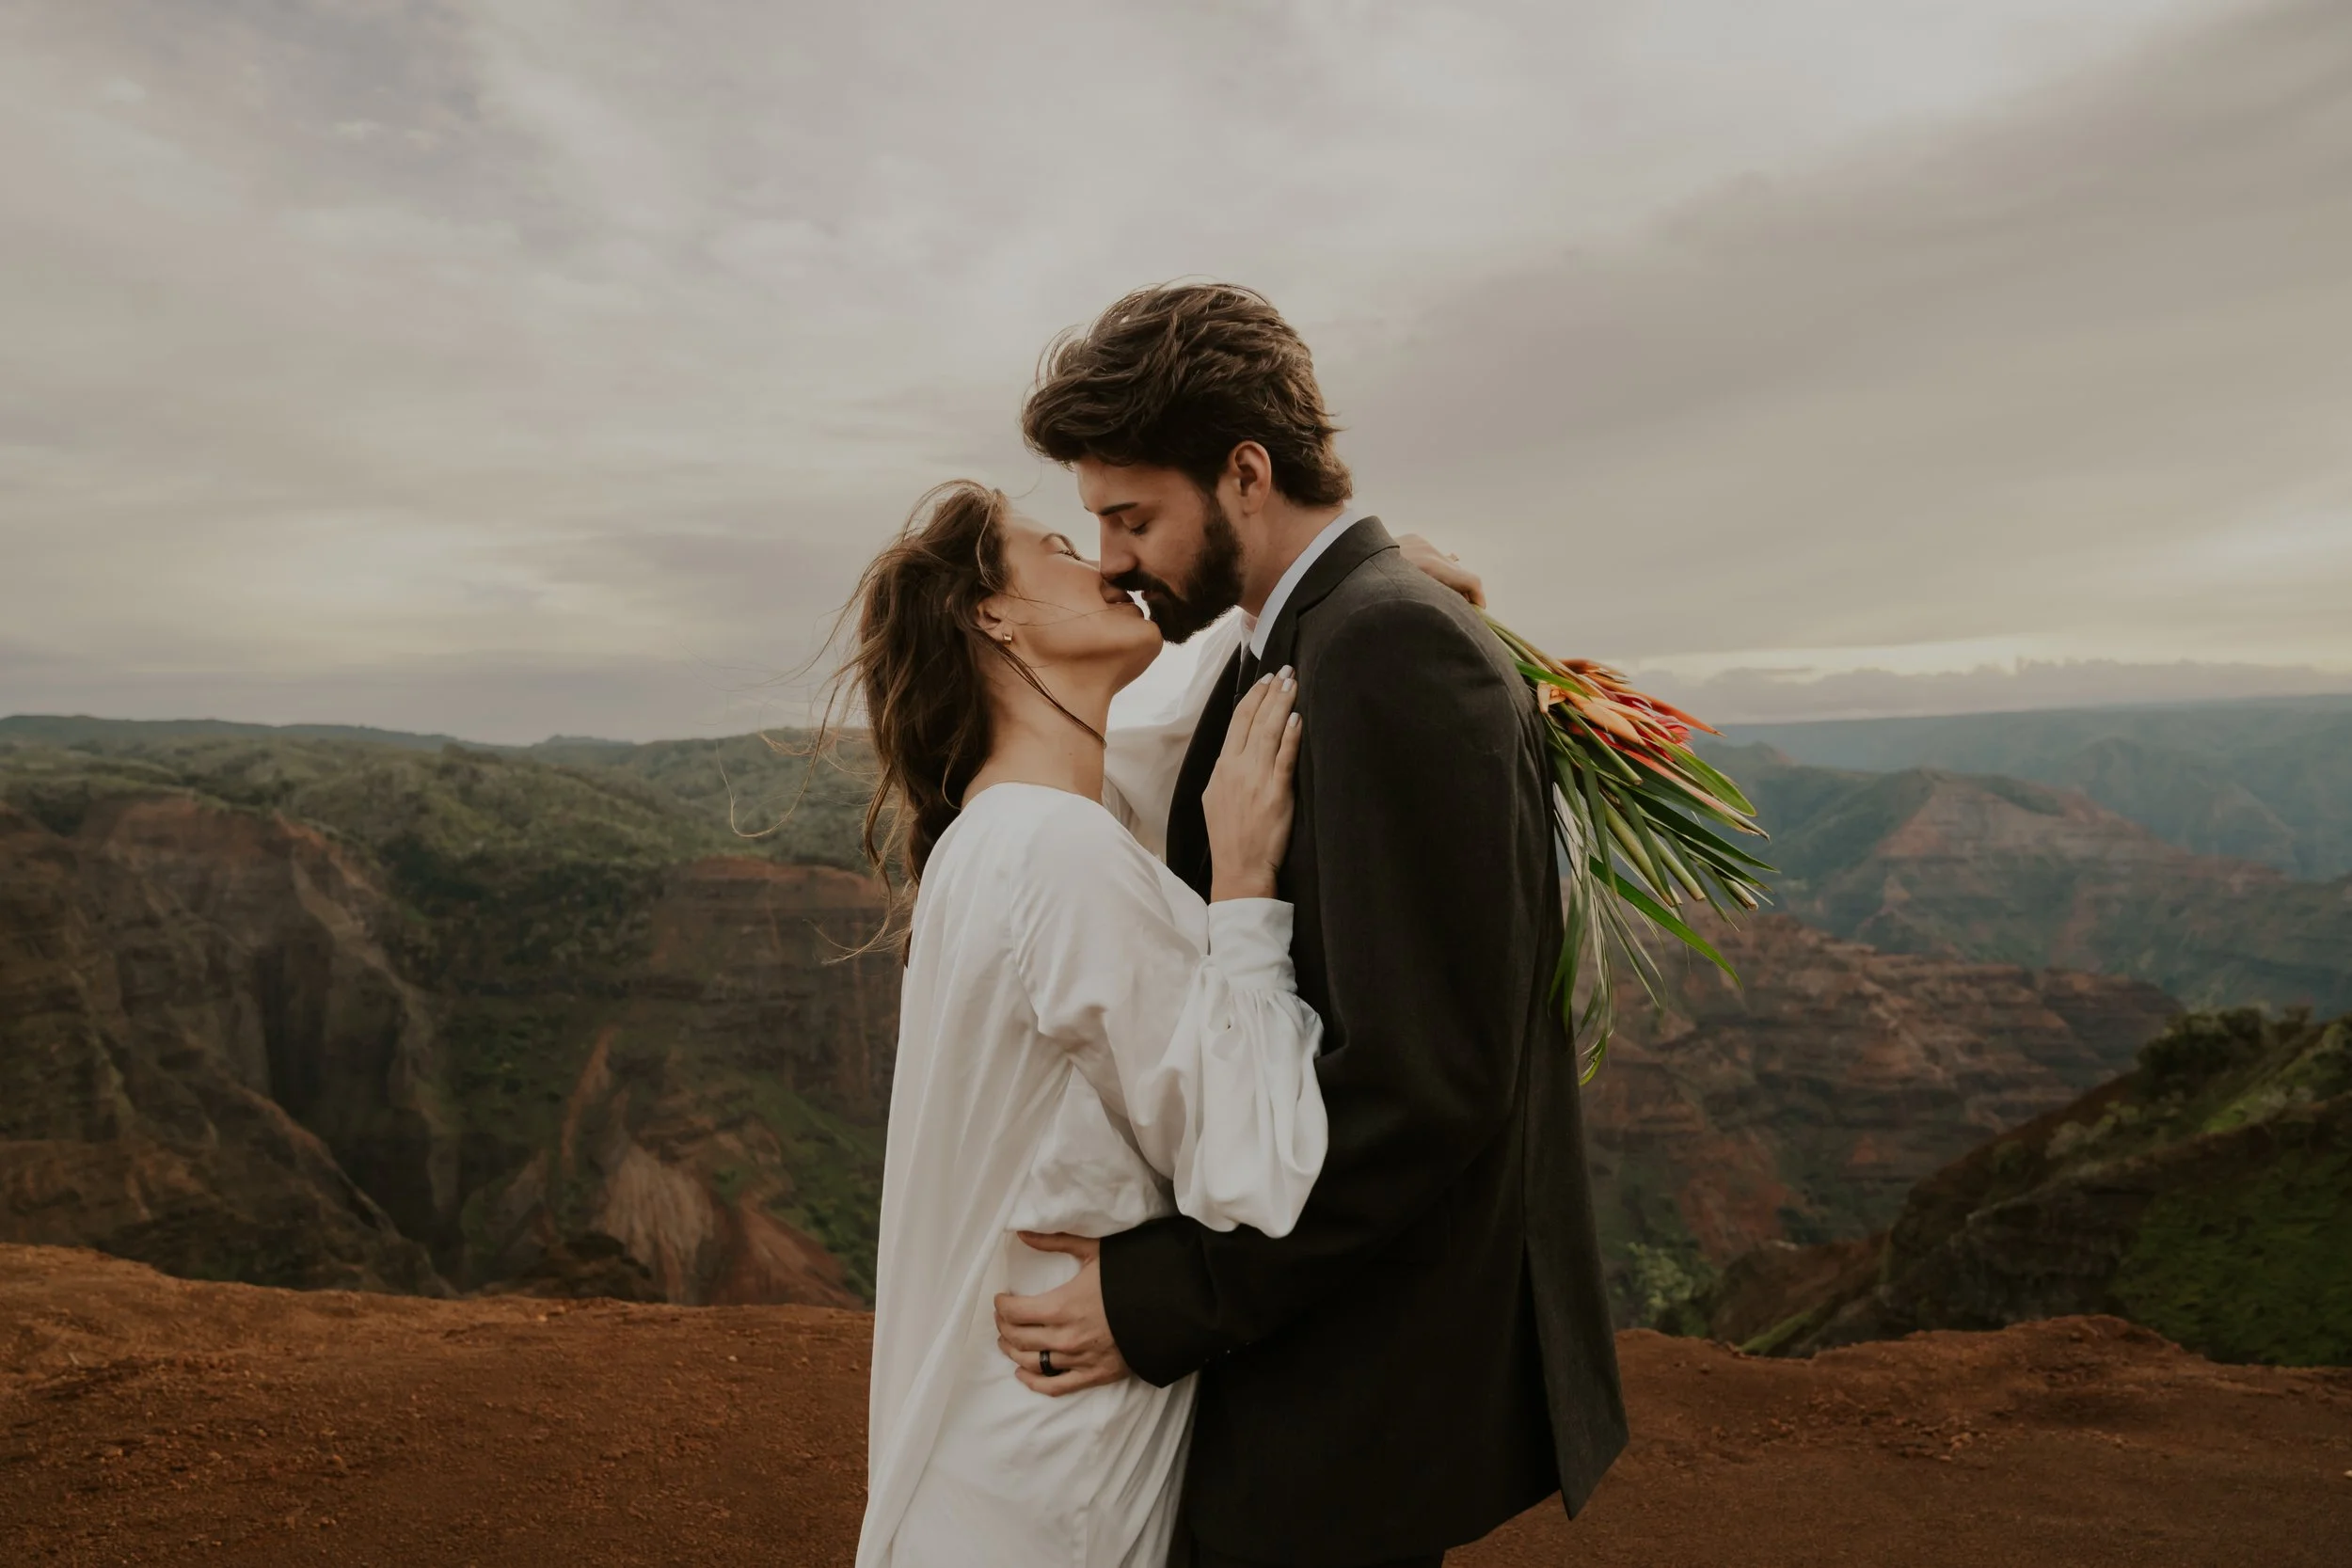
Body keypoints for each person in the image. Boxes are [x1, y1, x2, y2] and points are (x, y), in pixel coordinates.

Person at [993, 283, 1629, 1568]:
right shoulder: (1309, 638)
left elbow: (1424, 1081)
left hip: (1358, 1376)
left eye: (1132, 516)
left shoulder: (1390, 647)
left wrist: (1169, 1295)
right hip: (1325, 1340)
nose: (1114, 554)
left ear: (1242, 473)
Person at [850, 480, 1334, 1568]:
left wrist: (1363, 597)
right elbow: (1256, 1164)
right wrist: (1248, 891)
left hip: (1000, 1464)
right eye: (1061, 545)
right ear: (993, 615)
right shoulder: (1058, 853)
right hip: (1052, 1484)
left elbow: (1165, 727)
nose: (1109, 563)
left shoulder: (1000, 831)